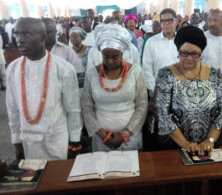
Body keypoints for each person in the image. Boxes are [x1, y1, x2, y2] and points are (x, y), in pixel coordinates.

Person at [6, 18, 82, 160]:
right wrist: (16, 141)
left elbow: (73, 109)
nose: (20, 40)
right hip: (27, 142)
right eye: (17, 34)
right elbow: (12, 109)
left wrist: (75, 140)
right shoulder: (13, 69)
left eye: (27, 34)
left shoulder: (63, 68)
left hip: (57, 141)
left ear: (43, 37)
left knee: (57, 179)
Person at [152, 26, 222, 153]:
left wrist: (210, 140)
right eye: (184, 53)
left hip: (209, 146)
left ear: (201, 53)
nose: (189, 58)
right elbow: (163, 114)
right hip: (174, 146)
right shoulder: (166, 75)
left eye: (194, 53)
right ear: (178, 52)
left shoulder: (215, 75)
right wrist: (186, 144)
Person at [81, 23, 147, 151]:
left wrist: (125, 134)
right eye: (106, 56)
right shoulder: (92, 73)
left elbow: (142, 105)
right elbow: (86, 107)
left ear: (122, 54)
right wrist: (101, 134)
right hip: (101, 136)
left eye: (115, 57)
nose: (110, 61)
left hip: (130, 136)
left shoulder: (135, 72)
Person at [142, 8, 178, 94]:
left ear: (175, 22)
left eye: (169, 20)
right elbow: (147, 69)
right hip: (158, 93)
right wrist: (156, 90)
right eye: (163, 21)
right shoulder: (151, 42)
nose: (166, 23)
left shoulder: (184, 41)